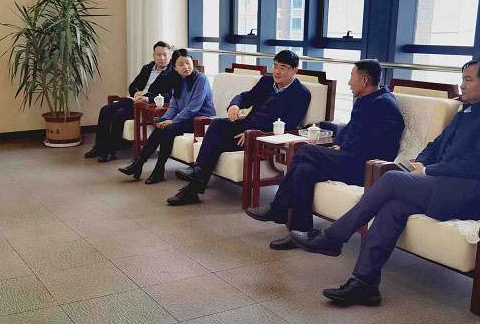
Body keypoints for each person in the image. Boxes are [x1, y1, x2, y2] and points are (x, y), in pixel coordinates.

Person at [292, 55, 480, 307]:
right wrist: (419, 164)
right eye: (462, 79)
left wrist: (429, 170)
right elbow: (436, 145)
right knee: (393, 207)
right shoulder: (466, 110)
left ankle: (333, 237)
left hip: (473, 194)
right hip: (445, 185)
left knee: (392, 179)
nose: (462, 85)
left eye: (468, 80)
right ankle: (365, 283)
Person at [245, 59, 404, 249]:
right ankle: (299, 232)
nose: (349, 82)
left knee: (305, 150)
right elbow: (349, 129)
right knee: (304, 170)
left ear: (364, 81)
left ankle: (279, 208)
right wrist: (338, 144)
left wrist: (343, 147)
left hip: (367, 168)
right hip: (350, 158)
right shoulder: (368, 100)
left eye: (351, 77)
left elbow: (374, 144)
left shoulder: (385, 105)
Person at [166, 49, 311, 206]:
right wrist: (235, 105)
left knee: (216, 142)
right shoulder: (266, 81)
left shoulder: (301, 94)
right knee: (217, 124)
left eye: (282, 68)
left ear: (294, 71)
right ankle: (198, 173)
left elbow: (287, 124)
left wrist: (254, 133)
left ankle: (193, 185)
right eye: (275, 66)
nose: (276, 71)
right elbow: (245, 97)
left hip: (263, 138)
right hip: (245, 127)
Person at [118, 49, 215, 184]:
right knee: (161, 127)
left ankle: (155, 169)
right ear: (174, 67)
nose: (186, 67)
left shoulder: (201, 79)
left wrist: (172, 121)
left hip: (201, 120)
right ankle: (140, 164)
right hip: (185, 119)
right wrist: (164, 120)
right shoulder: (177, 80)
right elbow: (174, 106)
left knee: (168, 129)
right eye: (181, 64)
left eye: (188, 62)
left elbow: (193, 107)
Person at [85, 41, 176, 162]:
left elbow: (169, 95)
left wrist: (146, 98)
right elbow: (132, 86)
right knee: (105, 110)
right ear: (154, 55)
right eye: (159, 55)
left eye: (165, 54)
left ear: (170, 55)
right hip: (135, 100)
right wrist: (136, 93)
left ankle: (110, 151)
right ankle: (99, 147)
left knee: (120, 113)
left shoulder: (173, 73)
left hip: (148, 106)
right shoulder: (147, 68)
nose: (162, 58)